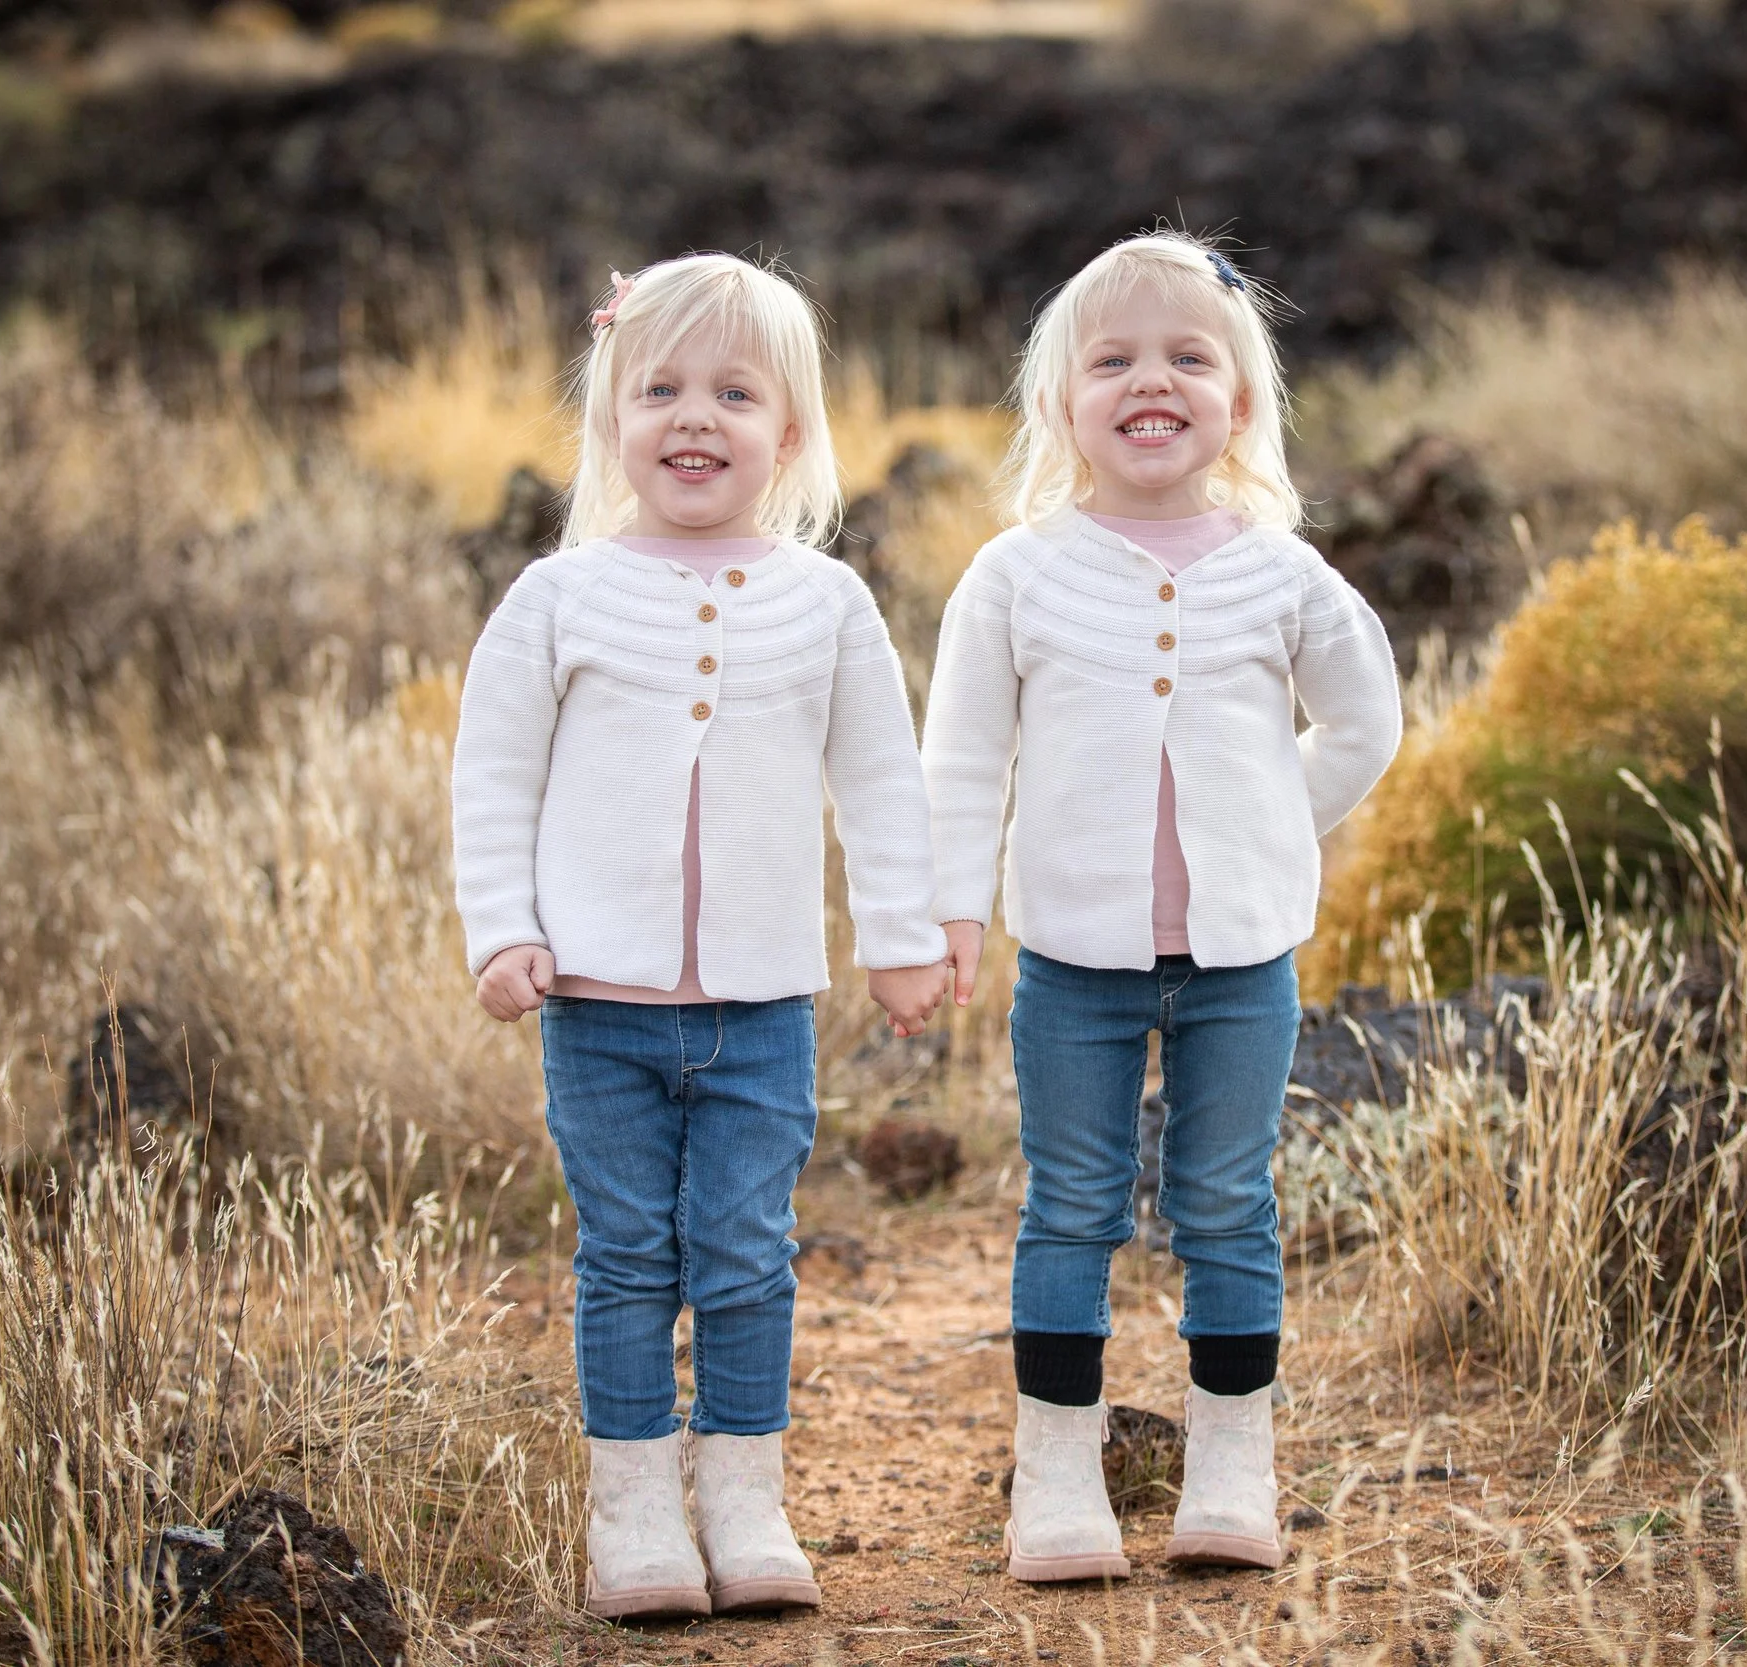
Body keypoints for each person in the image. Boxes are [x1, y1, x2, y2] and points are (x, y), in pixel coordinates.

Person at [452, 253, 951, 1618]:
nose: (694, 416)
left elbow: (882, 785)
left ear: (788, 433)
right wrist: (502, 928)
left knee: (741, 1244)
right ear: (612, 417)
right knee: (625, 1251)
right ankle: (634, 1513)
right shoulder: (558, 599)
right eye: (659, 387)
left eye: (735, 391)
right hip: (595, 1005)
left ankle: (744, 1497)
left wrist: (904, 938)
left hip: (760, 1005)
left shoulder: (827, 604)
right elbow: (492, 778)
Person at [922, 232, 1402, 1580]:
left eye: (1190, 357)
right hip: (1072, 962)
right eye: (1115, 359)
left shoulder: (1282, 571)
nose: (1153, 380)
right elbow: (960, 759)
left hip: (1242, 962)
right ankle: (1059, 1480)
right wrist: (948, 908)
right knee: (1071, 1206)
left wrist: (1264, 826)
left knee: (1227, 1202)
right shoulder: (1016, 575)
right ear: (1062, 403)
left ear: (1240, 402)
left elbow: (1364, 723)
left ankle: (1229, 1471)